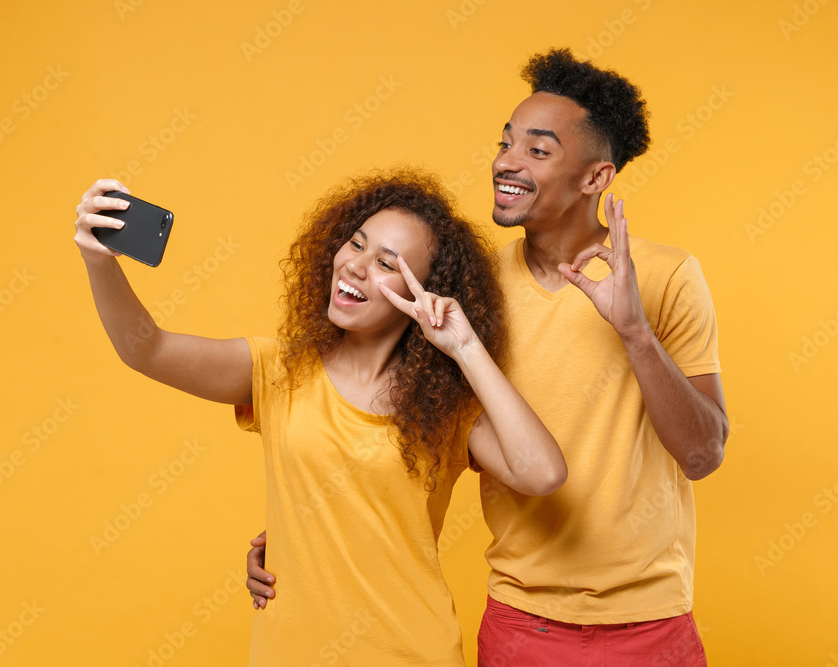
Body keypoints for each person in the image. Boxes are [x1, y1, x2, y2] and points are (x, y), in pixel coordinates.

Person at [246, 49, 727, 666]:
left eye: (538, 149)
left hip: (649, 624)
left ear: (595, 178)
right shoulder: (462, 293)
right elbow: (383, 419)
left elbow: (701, 454)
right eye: (506, 142)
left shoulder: (666, 279)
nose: (506, 161)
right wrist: (295, 539)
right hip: (522, 623)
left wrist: (635, 331)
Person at [73, 169, 566, 666]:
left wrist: (465, 348)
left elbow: (543, 473)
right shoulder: (279, 371)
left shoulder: (445, 409)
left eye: (386, 264)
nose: (355, 267)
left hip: (409, 652)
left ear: (422, 294)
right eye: (356, 244)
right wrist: (99, 260)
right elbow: (147, 350)